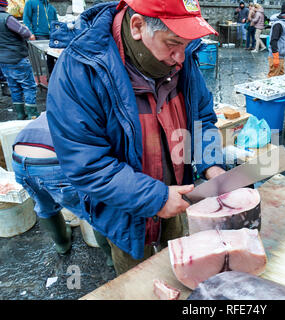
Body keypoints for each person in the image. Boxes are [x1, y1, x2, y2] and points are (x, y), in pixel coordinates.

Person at [46, 0, 227, 275]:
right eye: (172, 43)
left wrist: (211, 164)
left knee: (180, 270)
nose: (181, 57)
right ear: (138, 26)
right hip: (125, 211)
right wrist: (154, 198)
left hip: (178, 194)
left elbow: (201, 118)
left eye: (187, 44)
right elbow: (87, 164)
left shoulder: (182, 58)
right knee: (140, 280)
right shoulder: (81, 70)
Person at [11, 112, 114, 267]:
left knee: (44, 206)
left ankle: (62, 245)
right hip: (52, 162)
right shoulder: (91, 114)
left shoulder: (56, 106)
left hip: (19, 159)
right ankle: (111, 258)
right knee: (94, 211)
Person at [0, 0, 39, 120]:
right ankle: (32, 115)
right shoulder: (7, 18)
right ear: (5, 6)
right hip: (17, 58)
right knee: (28, 86)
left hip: (3, 61)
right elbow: (26, 33)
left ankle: (20, 114)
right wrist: (27, 31)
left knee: (14, 87)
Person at [267, 1, 285, 78]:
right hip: (276, 56)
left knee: (280, 77)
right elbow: (273, 40)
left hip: (280, 56)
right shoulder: (279, 24)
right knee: (273, 77)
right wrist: (275, 56)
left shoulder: (284, 23)